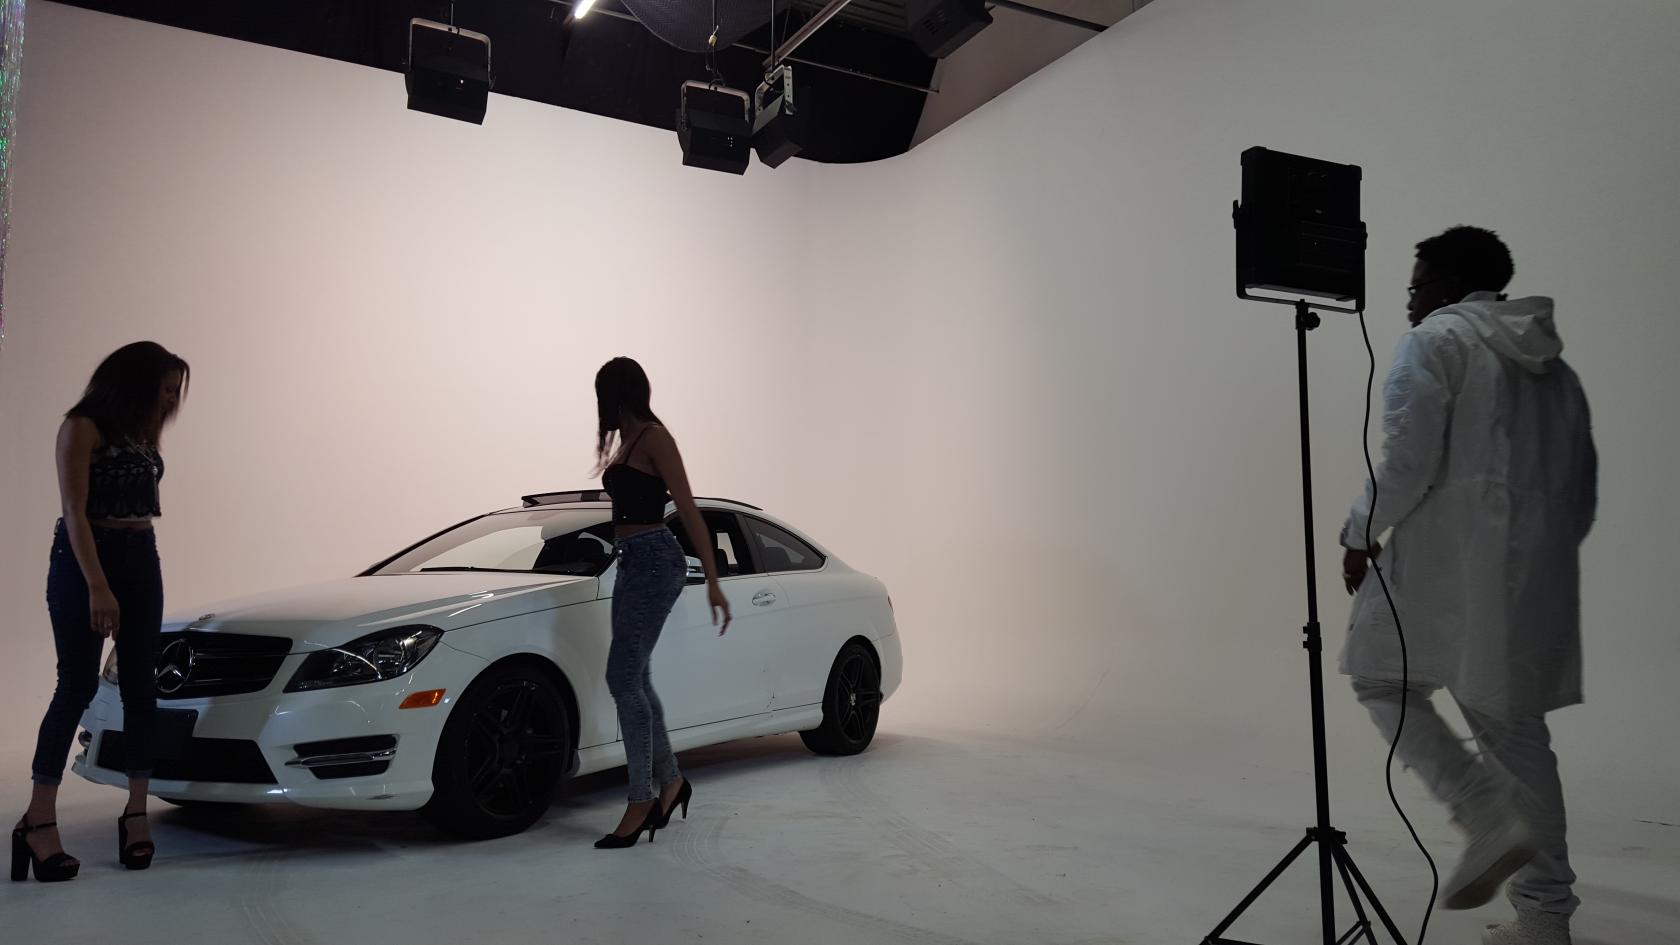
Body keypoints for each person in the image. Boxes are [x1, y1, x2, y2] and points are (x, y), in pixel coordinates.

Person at [1340, 227, 1595, 945]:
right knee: (1515, 732)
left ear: (1449, 285)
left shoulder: (1436, 342)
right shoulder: (1555, 369)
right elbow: (1582, 487)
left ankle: (1482, 813)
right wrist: (1537, 559)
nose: (1411, 299)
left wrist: (1360, 532)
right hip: (1531, 576)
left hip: (1445, 563)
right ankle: (1545, 920)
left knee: (1378, 678)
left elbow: (1407, 460)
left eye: (1417, 283)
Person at [13, 342, 189, 883]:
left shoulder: (141, 430)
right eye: (165, 388)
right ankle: (38, 820)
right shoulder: (81, 427)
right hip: (84, 558)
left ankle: (136, 812)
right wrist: (97, 586)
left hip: (141, 556)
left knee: (142, 687)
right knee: (77, 685)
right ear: (134, 382)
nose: (170, 400)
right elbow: (73, 513)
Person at [591, 357, 731, 849]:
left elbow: (688, 509)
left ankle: (640, 799)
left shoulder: (655, 439)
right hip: (629, 561)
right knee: (637, 677)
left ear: (619, 395)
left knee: (622, 678)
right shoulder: (628, 443)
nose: (598, 409)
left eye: (602, 397)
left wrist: (712, 580)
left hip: (656, 560)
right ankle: (671, 781)